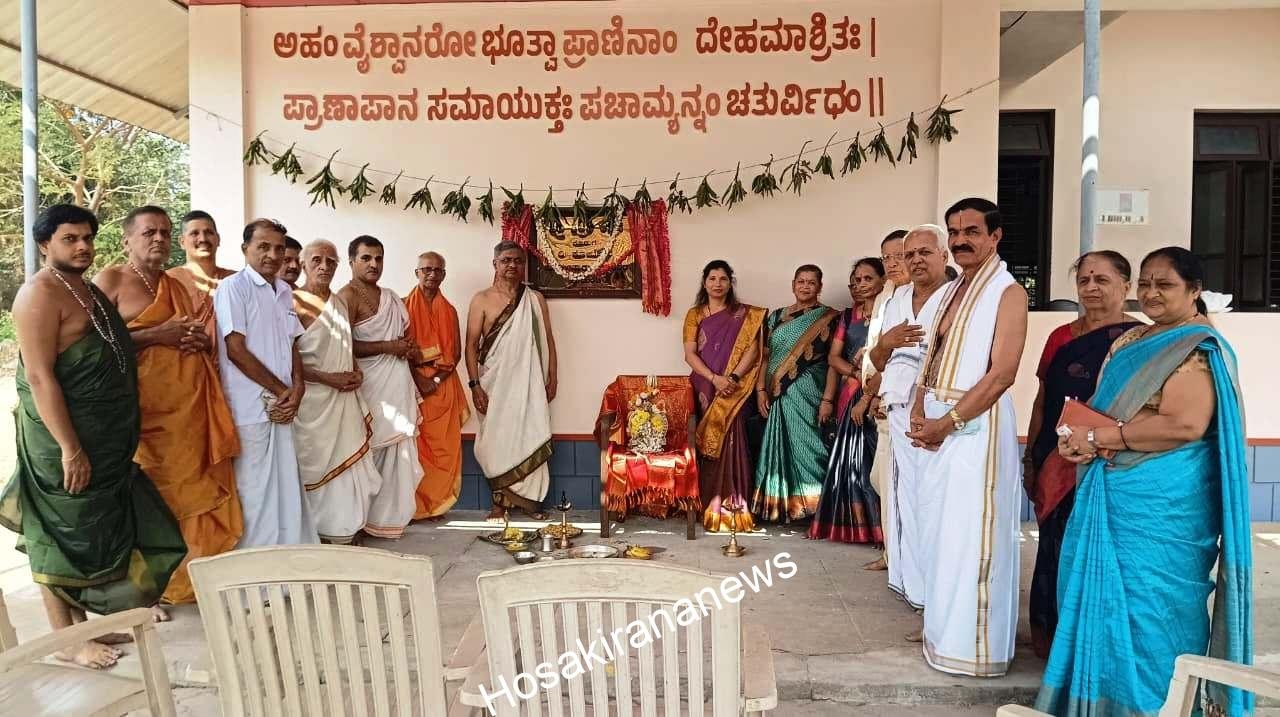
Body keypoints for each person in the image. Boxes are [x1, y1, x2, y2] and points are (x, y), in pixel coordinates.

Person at [1038, 247, 1252, 717]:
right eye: (1146, 283)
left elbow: (1184, 425)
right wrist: (1078, 440)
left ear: (1194, 291)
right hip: (1112, 485)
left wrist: (1099, 437)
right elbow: (1104, 408)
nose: (1152, 293)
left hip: (1162, 506)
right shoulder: (1133, 339)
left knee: (1154, 609)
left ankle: (1157, 706)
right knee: (1103, 606)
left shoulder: (1195, 347)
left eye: (1166, 285)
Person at [0, 205, 185, 669]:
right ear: (45, 244)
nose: (83, 246)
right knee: (57, 535)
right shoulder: (38, 294)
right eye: (70, 239)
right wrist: (70, 448)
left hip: (103, 440)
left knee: (91, 532)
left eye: (87, 237)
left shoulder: (86, 289)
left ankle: (85, 627)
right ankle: (66, 639)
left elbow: (111, 345)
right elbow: (40, 377)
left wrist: (159, 336)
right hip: (61, 441)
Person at [93, 205, 243, 605]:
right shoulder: (111, 279)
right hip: (141, 415)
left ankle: (185, 583)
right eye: (149, 232)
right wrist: (157, 334)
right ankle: (145, 590)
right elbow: (93, 346)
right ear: (127, 239)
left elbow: (188, 334)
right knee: (148, 498)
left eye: (163, 231)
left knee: (188, 495)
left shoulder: (173, 284)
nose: (158, 238)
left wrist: (196, 339)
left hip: (186, 413)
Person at [906, 198, 1027, 676]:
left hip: (977, 427)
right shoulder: (954, 289)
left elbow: (1003, 373)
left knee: (972, 537)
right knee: (940, 534)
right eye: (954, 232)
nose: (960, 241)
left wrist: (948, 422)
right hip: (939, 422)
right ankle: (941, 633)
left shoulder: (1007, 292)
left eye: (972, 232)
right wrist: (920, 406)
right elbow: (931, 354)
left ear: (995, 237)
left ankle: (973, 651)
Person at [1024, 250, 1138, 659]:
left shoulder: (1141, 340)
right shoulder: (1061, 338)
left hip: (1112, 463)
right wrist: (1030, 458)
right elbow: (1043, 400)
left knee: (1104, 552)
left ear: (1126, 285)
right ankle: (1051, 639)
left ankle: (1096, 645)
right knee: (1055, 547)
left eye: (1101, 280)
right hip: (1055, 459)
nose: (1091, 288)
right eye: (1084, 280)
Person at [215, 219, 318, 548]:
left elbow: (292, 344)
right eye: (263, 247)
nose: (273, 255)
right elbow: (235, 349)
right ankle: (253, 569)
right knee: (254, 491)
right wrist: (283, 392)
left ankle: (284, 560)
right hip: (250, 408)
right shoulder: (233, 287)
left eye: (278, 249)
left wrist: (298, 388)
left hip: (283, 406)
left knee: (284, 486)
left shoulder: (284, 291)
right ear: (245, 249)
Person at [871, 225, 951, 615]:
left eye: (925, 252)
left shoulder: (955, 296)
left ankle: (939, 591)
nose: (915, 260)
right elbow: (877, 359)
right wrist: (886, 343)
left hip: (940, 412)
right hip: (897, 406)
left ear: (944, 256)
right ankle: (913, 587)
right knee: (905, 497)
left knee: (936, 500)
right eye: (909, 254)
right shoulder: (896, 299)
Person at [292, 240, 382, 544]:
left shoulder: (339, 302)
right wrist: (327, 378)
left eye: (331, 261)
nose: (324, 266)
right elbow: (285, 362)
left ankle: (344, 528)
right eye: (317, 260)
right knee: (315, 466)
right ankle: (317, 531)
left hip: (344, 400)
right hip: (312, 404)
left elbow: (345, 345)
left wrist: (355, 369)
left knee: (349, 463)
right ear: (303, 264)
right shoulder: (292, 303)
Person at [465, 242, 557, 521]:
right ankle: (499, 503)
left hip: (530, 385)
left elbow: (548, 339)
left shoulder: (535, 299)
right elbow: (470, 346)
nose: (512, 265)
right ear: (495, 264)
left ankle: (530, 501)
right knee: (495, 441)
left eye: (517, 261)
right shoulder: (481, 299)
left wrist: (553, 377)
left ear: (524, 265)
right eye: (505, 260)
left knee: (531, 433)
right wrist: (474, 385)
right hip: (494, 384)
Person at [340, 236, 422, 539]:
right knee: (366, 453)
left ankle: (386, 520)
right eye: (366, 258)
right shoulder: (346, 296)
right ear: (352, 261)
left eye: (378, 258)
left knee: (397, 455)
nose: (374, 264)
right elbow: (342, 344)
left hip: (397, 386)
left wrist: (406, 348)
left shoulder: (391, 297)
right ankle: (359, 520)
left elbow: (403, 338)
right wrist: (389, 347)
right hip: (369, 389)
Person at [751, 265, 838, 523]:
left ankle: (815, 508)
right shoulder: (776, 317)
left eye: (811, 282)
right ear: (793, 285)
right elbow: (764, 358)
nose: (805, 286)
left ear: (819, 287)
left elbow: (833, 361)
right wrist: (760, 389)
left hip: (809, 390)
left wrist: (827, 399)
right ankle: (781, 506)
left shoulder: (829, 317)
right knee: (781, 443)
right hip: (776, 392)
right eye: (801, 281)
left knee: (809, 445)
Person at [808, 258, 886, 543]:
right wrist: (856, 374)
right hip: (850, 393)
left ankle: (881, 530)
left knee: (873, 463)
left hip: (878, 395)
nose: (861, 285)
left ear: (882, 281)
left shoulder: (889, 313)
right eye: (857, 280)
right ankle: (857, 528)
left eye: (868, 279)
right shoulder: (847, 317)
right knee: (849, 462)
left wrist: (869, 389)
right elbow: (833, 358)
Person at [684, 260, 765, 533]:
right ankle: (708, 506)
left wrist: (732, 378)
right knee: (706, 444)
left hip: (735, 389)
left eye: (723, 279)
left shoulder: (746, 315)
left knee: (734, 441)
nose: (717, 284)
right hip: (705, 387)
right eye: (712, 278)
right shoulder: (694, 314)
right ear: (704, 282)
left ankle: (735, 510)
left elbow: (753, 351)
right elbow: (690, 354)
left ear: (730, 283)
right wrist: (714, 379)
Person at [405, 251, 470, 521]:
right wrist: (419, 379)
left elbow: (455, 353)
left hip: (442, 387)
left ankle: (437, 504)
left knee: (444, 450)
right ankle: (416, 506)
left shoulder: (450, 310)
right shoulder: (402, 307)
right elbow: (400, 350)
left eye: (438, 270)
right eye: (427, 269)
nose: (432, 274)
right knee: (417, 449)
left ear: (444, 275)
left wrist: (434, 380)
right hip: (413, 386)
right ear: (417, 273)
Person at [859, 229, 909, 571]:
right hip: (881, 398)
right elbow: (878, 345)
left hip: (901, 400)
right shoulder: (886, 295)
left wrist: (877, 388)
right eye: (886, 258)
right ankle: (893, 552)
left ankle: (901, 558)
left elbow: (905, 355)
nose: (892, 264)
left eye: (898, 256)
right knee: (881, 479)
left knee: (896, 482)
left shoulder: (922, 296)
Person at [167, 210, 236, 340]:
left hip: (231, 352)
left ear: (218, 239)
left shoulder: (235, 280)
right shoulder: (168, 280)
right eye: (194, 233)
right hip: (186, 350)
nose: (203, 239)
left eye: (209, 232)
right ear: (182, 242)